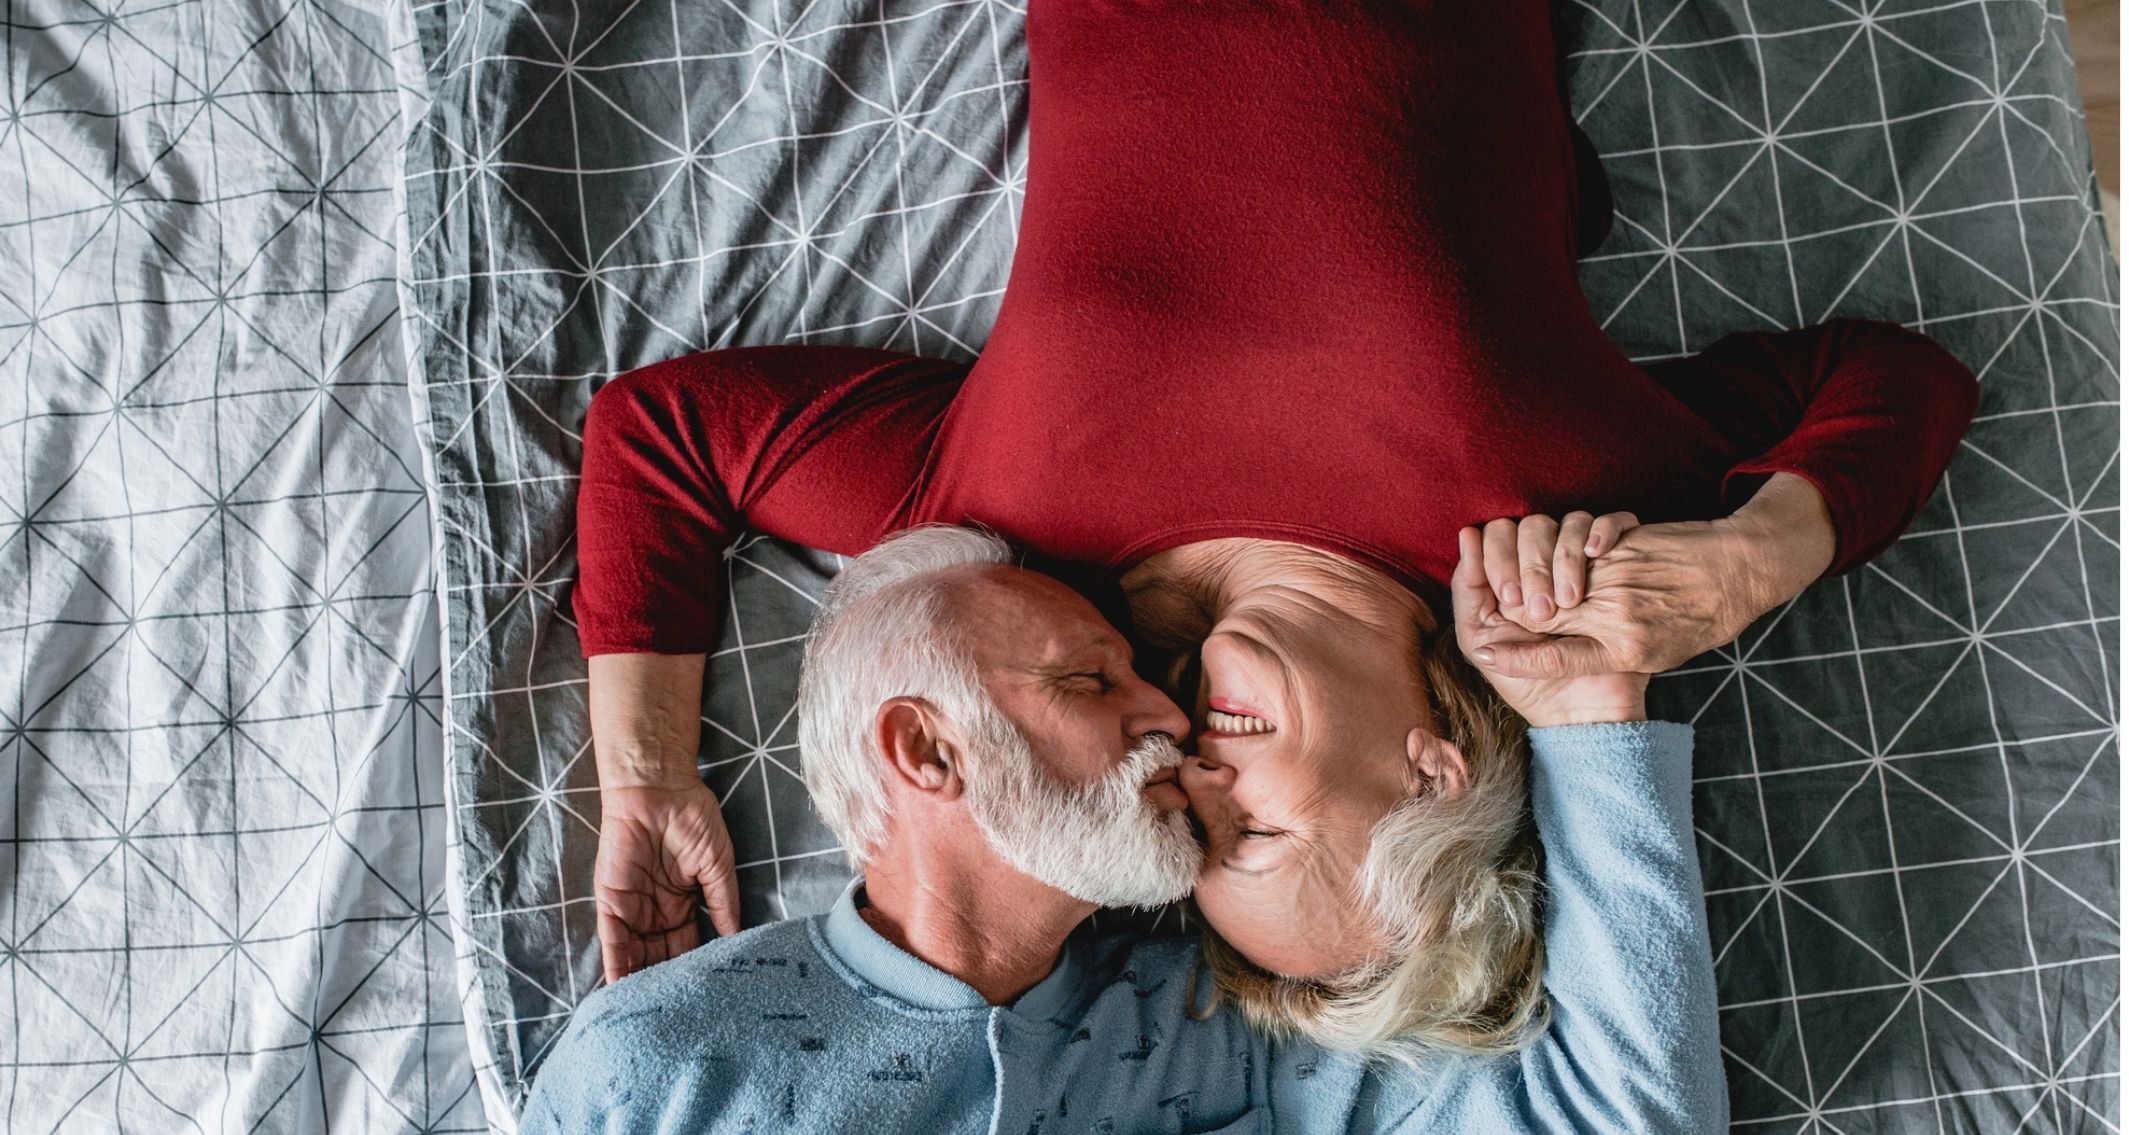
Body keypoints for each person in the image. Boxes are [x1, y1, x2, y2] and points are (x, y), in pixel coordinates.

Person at [574, 1, 1980, 1050]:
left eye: (1189, 822)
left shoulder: (1016, 562)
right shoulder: (1555, 516)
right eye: (1248, 829)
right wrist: (1750, 562)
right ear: (1431, 772)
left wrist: (645, 784)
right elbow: (1899, 382)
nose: (1190, 771)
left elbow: (659, 440)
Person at [406, 527, 1727, 1135]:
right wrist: (645, 764)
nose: (1166, 713)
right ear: (930, 753)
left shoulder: (1236, 1040)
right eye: (1093, 682)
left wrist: (1589, 722)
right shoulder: (657, 1056)